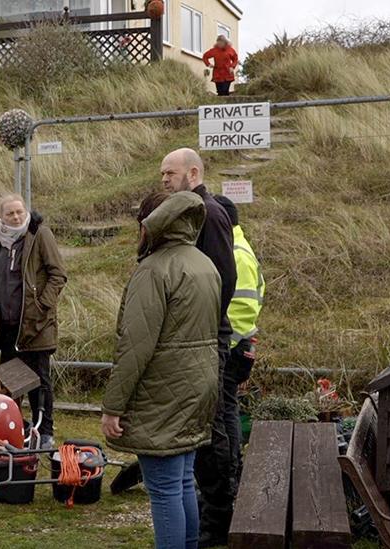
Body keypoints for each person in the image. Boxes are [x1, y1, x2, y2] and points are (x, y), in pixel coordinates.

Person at [101, 191, 220, 549]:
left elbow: (135, 347)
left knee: (165, 489)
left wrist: (113, 406)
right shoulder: (204, 263)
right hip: (198, 387)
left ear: (150, 224)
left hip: (161, 391)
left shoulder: (153, 271)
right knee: (182, 481)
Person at [160, 148, 237, 546]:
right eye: (161, 175)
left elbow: (223, 277)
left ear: (193, 173)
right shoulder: (191, 212)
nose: (164, 180)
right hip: (198, 335)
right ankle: (213, 513)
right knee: (210, 422)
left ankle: (216, 519)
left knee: (212, 425)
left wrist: (201, 326)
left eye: (170, 173)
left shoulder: (209, 213)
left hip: (208, 336)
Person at [0, 194, 67, 448]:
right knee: (9, 383)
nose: (16, 217)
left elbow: (58, 274)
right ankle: (12, 431)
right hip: (6, 327)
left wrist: (41, 307)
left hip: (36, 325)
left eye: (19, 212)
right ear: (1, 216)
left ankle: (45, 432)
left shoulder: (40, 235)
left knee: (40, 381)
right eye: (10, 213)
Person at [214, 195, 265, 478]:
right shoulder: (235, 247)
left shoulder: (235, 253)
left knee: (226, 407)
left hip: (234, 346)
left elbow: (244, 307)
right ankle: (231, 465)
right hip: (238, 343)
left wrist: (225, 343)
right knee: (226, 404)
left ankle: (231, 467)